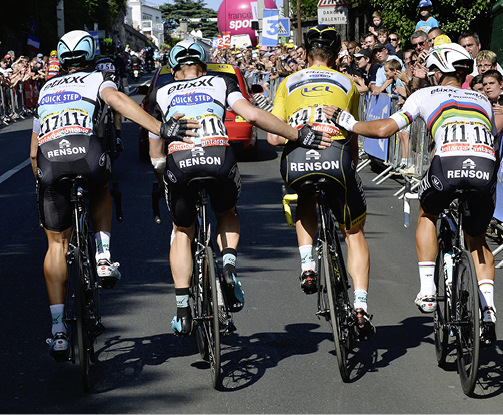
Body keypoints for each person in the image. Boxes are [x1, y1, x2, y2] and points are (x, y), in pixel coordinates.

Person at [30, 30, 199, 361]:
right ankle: (104, 256)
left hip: (50, 160)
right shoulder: (96, 80)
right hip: (87, 155)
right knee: (102, 188)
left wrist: (42, 178)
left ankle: (58, 331)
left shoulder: (46, 89)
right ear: (91, 55)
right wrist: (159, 128)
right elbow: (119, 102)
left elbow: (34, 151)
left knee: (55, 243)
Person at [148, 40, 332, 337]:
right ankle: (229, 264)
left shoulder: (163, 92)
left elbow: (155, 144)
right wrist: (297, 135)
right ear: (204, 66)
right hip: (218, 159)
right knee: (227, 211)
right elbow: (255, 116)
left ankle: (183, 310)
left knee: (183, 230)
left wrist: (160, 175)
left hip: (179, 164)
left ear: (174, 71)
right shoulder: (221, 82)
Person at [324, 42, 499, 348]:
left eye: (433, 70)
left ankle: (428, 289)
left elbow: (384, 131)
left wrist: (347, 121)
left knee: (428, 212)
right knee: (477, 239)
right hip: (485, 166)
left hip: (448, 166)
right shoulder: (482, 99)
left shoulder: (424, 95)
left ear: (439, 71)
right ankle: (488, 312)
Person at [266, 25, 375, 340]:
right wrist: (350, 166)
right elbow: (351, 132)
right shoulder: (347, 83)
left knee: (305, 199)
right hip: (336, 156)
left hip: (297, 160)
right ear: (337, 52)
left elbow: (273, 137)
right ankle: (360, 304)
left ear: (305, 52)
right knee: (353, 231)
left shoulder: (286, 83)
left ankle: (307, 266)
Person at [95, 38, 129, 152]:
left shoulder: (96, 59)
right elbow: (123, 77)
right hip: (114, 89)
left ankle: (99, 142)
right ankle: (118, 137)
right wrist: (126, 92)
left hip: (99, 90)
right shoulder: (117, 59)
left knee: (100, 117)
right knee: (117, 112)